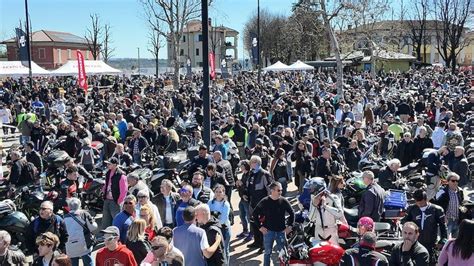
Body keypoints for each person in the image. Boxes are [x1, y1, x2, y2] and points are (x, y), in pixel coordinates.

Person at [253, 182, 295, 266]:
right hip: (268, 232)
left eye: (281, 190)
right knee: (267, 253)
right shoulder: (265, 201)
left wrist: (290, 226)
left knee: (283, 253)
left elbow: (292, 213)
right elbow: (254, 214)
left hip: (281, 232)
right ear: (272, 191)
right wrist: (260, 227)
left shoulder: (283, 201)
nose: (280, 192)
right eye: (278, 190)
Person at [402, 189, 447, 263]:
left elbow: (443, 226)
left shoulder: (436, 210)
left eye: (422, 203)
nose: (420, 205)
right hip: (415, 242)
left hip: (431, 242)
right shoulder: (411, 209)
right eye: (417, 202)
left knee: (430, 262)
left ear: (426, 199)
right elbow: (404, 221)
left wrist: (442, 241)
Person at [247, 155, 273, 250]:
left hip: (262, 204)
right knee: (254, 223)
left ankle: (264, 245)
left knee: (263, 224)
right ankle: (257, 242)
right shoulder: (251, 173)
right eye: (251, 162)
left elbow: (270, 189)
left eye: (253, 162)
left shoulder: (265, 174)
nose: (251, 164)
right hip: (252, 202)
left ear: (258, 163)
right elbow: (249, 187)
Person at [308, 178, 344, 244]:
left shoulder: (333, 197)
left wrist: (326, 206)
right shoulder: (313, 199)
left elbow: (340, 213)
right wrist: (314, 205)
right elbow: (311, 218)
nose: (311, 190)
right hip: (318, 230)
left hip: (331, 230)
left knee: (332, 252)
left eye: (312, 188)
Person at [63, 197, 97, 266]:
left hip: (70, 245)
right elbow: (93, 227)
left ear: (69, 207)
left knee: (73, 263)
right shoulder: (84, 214)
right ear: (79, 205)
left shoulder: (64, 217)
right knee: (88, 262)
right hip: (84, 244)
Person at [101, 157, 128, 232]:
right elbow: (107, 183)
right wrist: (103, 190)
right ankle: (104, 235)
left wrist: (119, 201)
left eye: (109, 164)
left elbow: (124, 190)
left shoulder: (121, 175)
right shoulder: (108, 172)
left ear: (115, 165)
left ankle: (117, 236)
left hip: (115, 201)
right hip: (107, 199)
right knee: (105, 220)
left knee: (116, 221)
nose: (107, 165)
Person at [434, 172, 464, 238]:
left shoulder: (460, 191)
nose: (455, 183)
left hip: (457, 219)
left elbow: (461, 203)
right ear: (448, 181)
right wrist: (443, 216)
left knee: (456, 241)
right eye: (453, 181)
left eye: (457, 181)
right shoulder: (442, 191)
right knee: (445, 240)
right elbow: (437, 205)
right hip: (447, 220)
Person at [208, 184, 231, 265]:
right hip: (214, 229)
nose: (218, 193)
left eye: (220, 192)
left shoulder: (226, 204)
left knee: (225, 250)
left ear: (223, 193)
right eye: (216, 191)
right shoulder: (210, 203)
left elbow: (223, 219)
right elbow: (208, 215)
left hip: (224, 229)